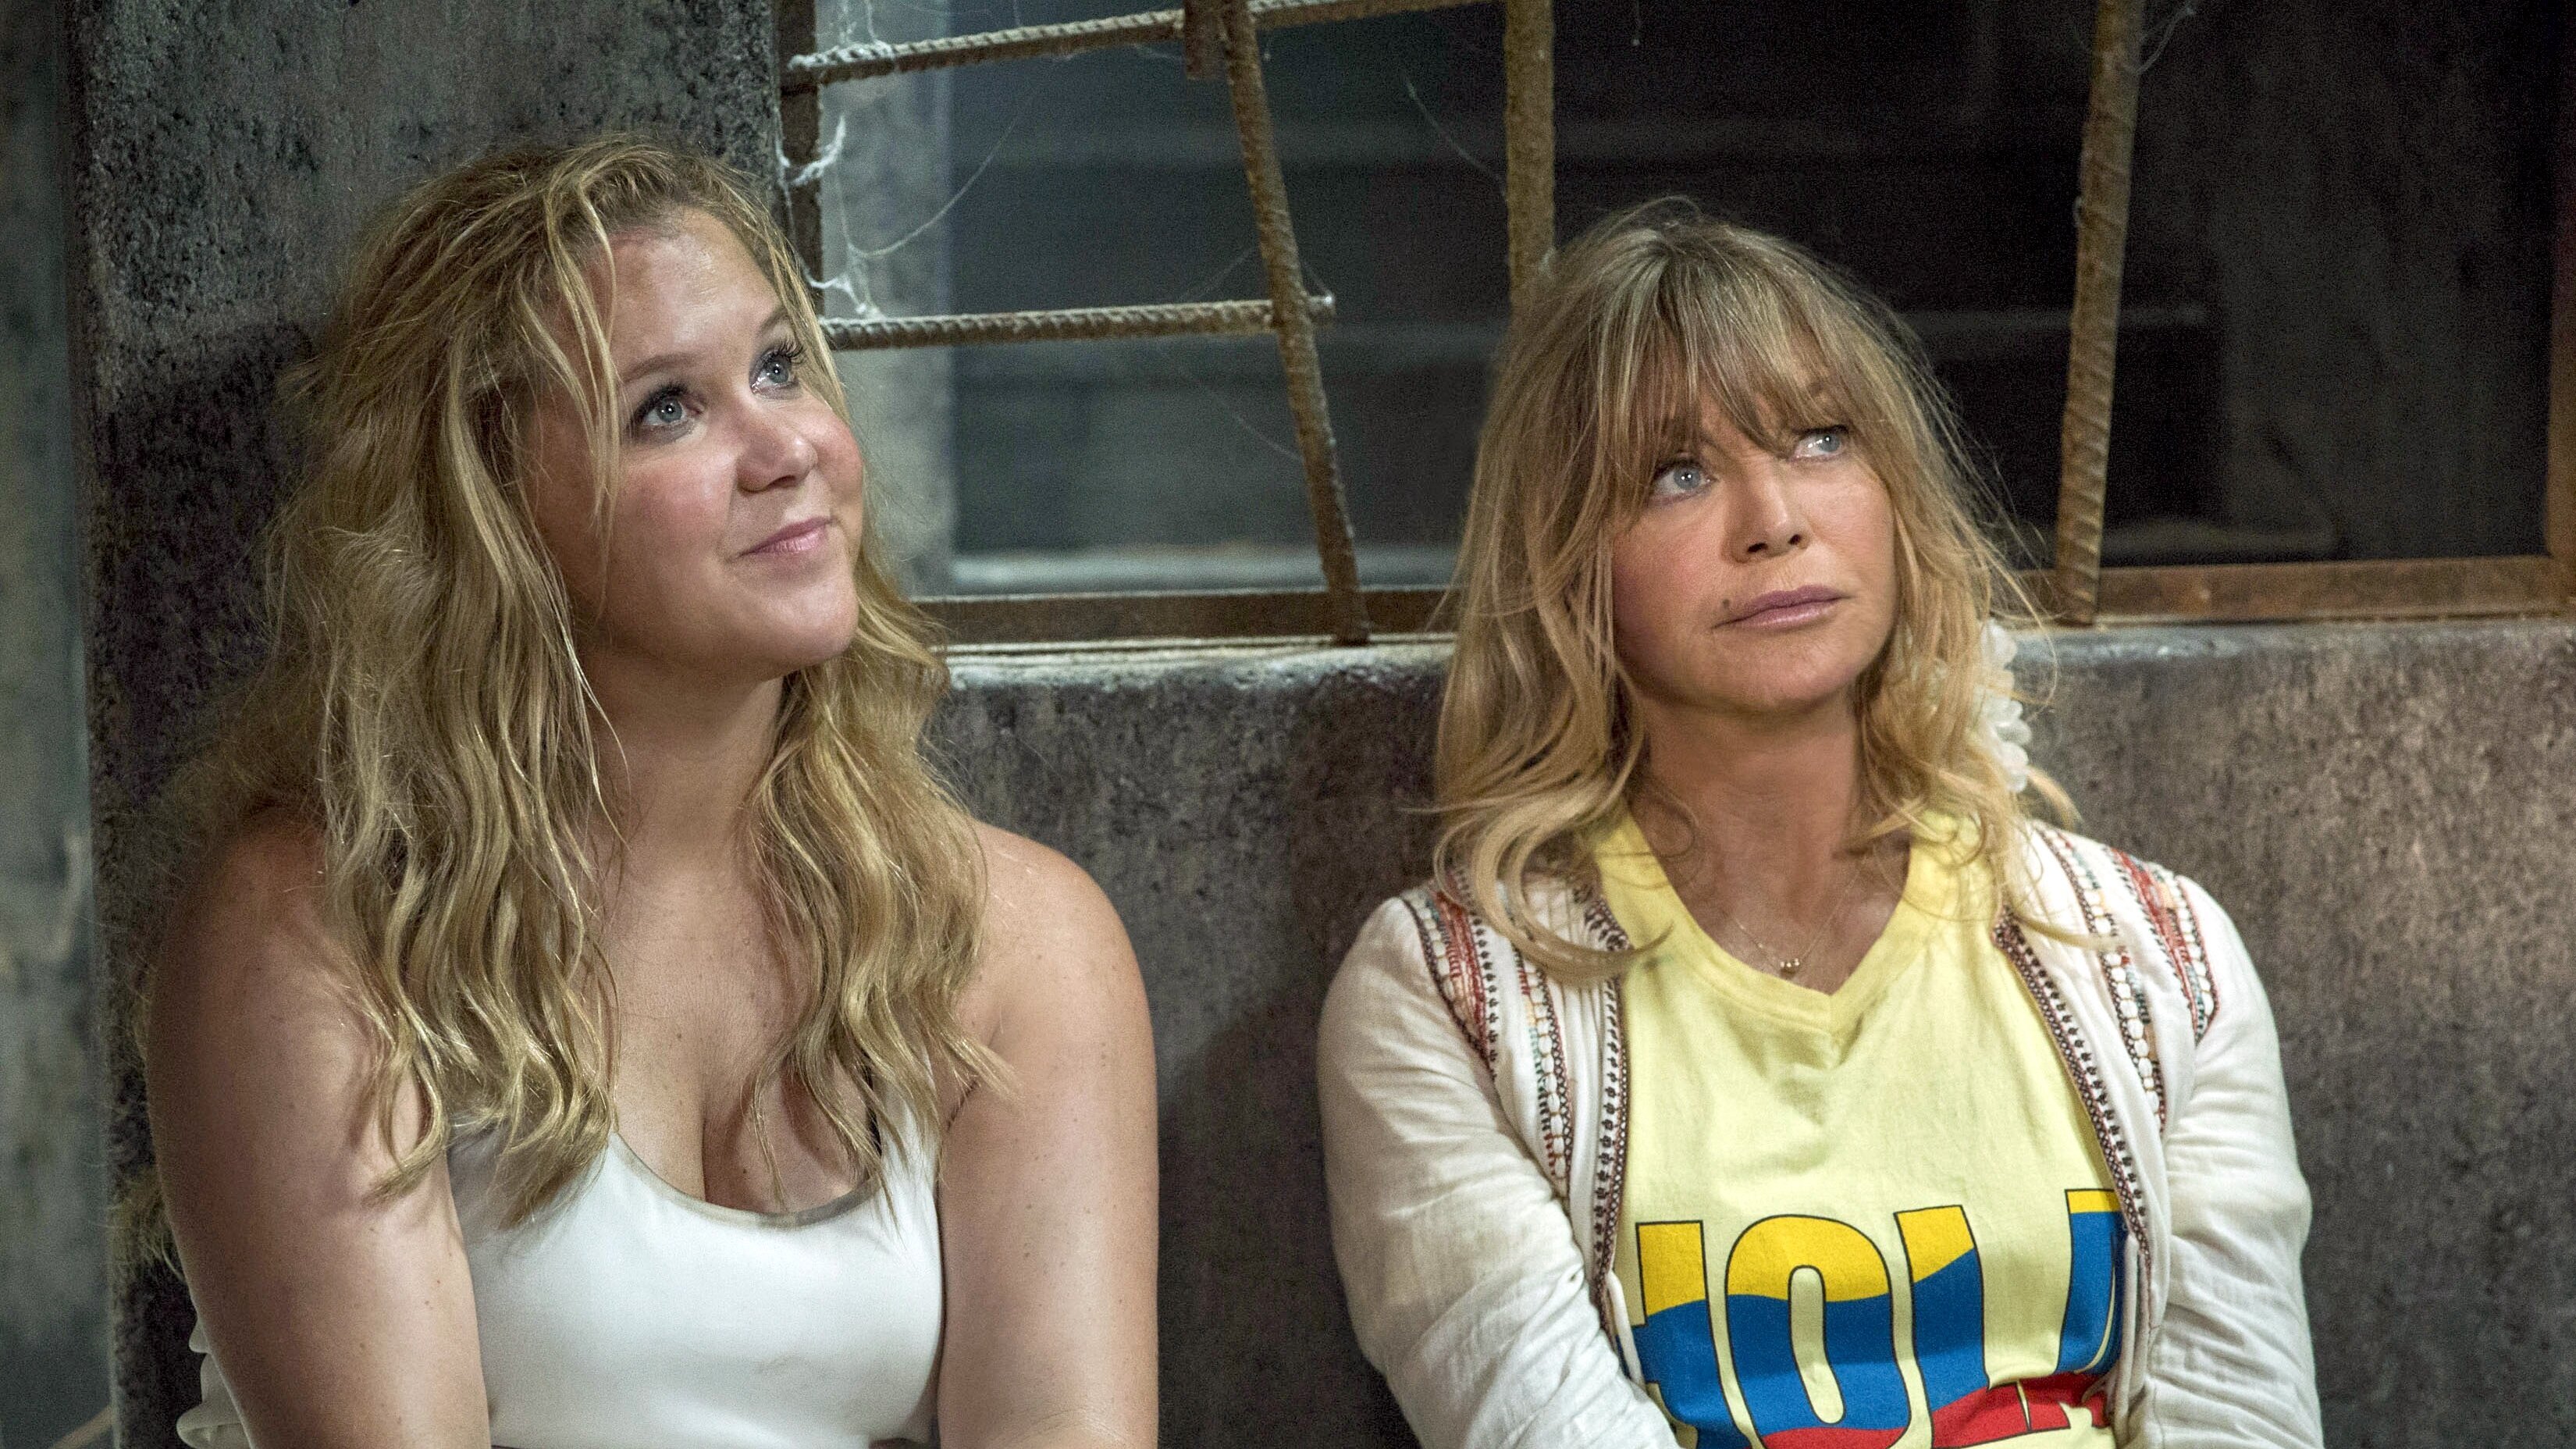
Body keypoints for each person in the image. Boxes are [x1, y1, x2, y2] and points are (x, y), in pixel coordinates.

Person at [144, 137, 1158, 1449]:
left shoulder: (1017, 941)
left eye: (780, 366)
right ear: (495, 516)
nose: (786, 448)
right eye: (667, 408)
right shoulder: (318, 932)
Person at [1316, 203, 2319, 1449]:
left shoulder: (2155, 957)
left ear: (1895, 497)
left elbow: (2242, 1419)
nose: (1773, 518)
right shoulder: (1454, 998)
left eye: (1822, 438)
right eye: (1676, 473)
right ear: (1570, 564)